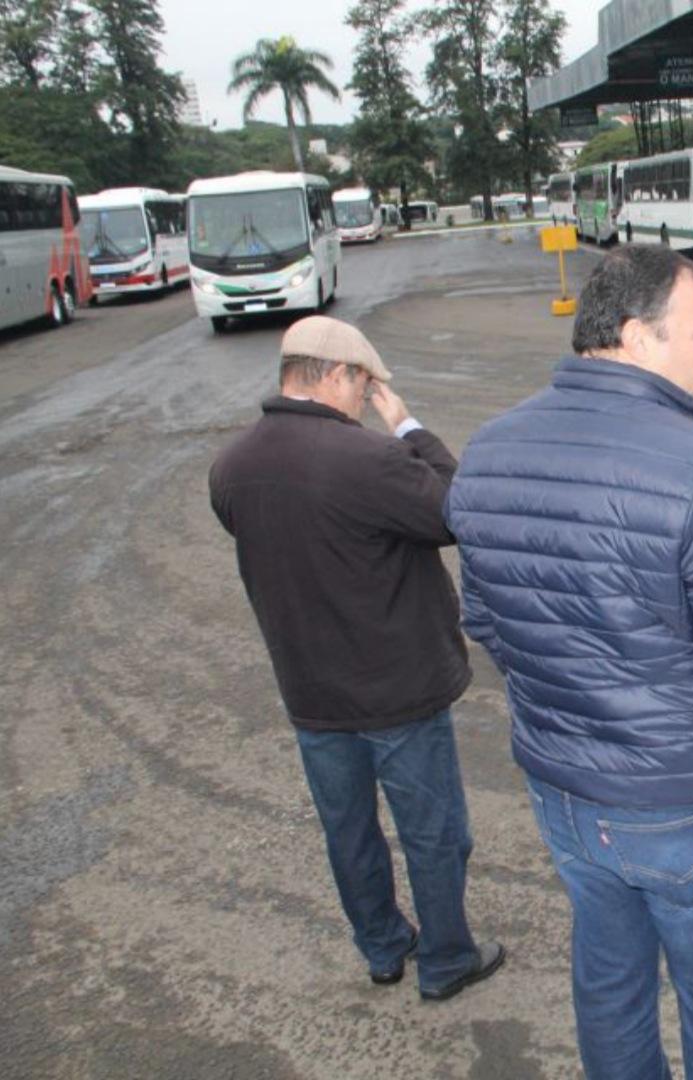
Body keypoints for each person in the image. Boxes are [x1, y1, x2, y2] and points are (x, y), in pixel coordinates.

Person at [446, 246, 693, 1079]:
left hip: (566, 794)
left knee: (609, 988)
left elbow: (485, 618)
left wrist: (564, 707)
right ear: (638, 336)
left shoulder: (491, 449)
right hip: (692, 803)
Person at [209, 315, 504, 1002]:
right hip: (399, 688)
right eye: (365, 383)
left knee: (348, 832)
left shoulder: (231, 466)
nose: (367, 397)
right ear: (335, 374)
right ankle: (446, 959)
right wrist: (407, 428)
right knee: (433, 834)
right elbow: (461, 511)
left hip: (311, 693)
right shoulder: (368, 459)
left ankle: (380, 947)